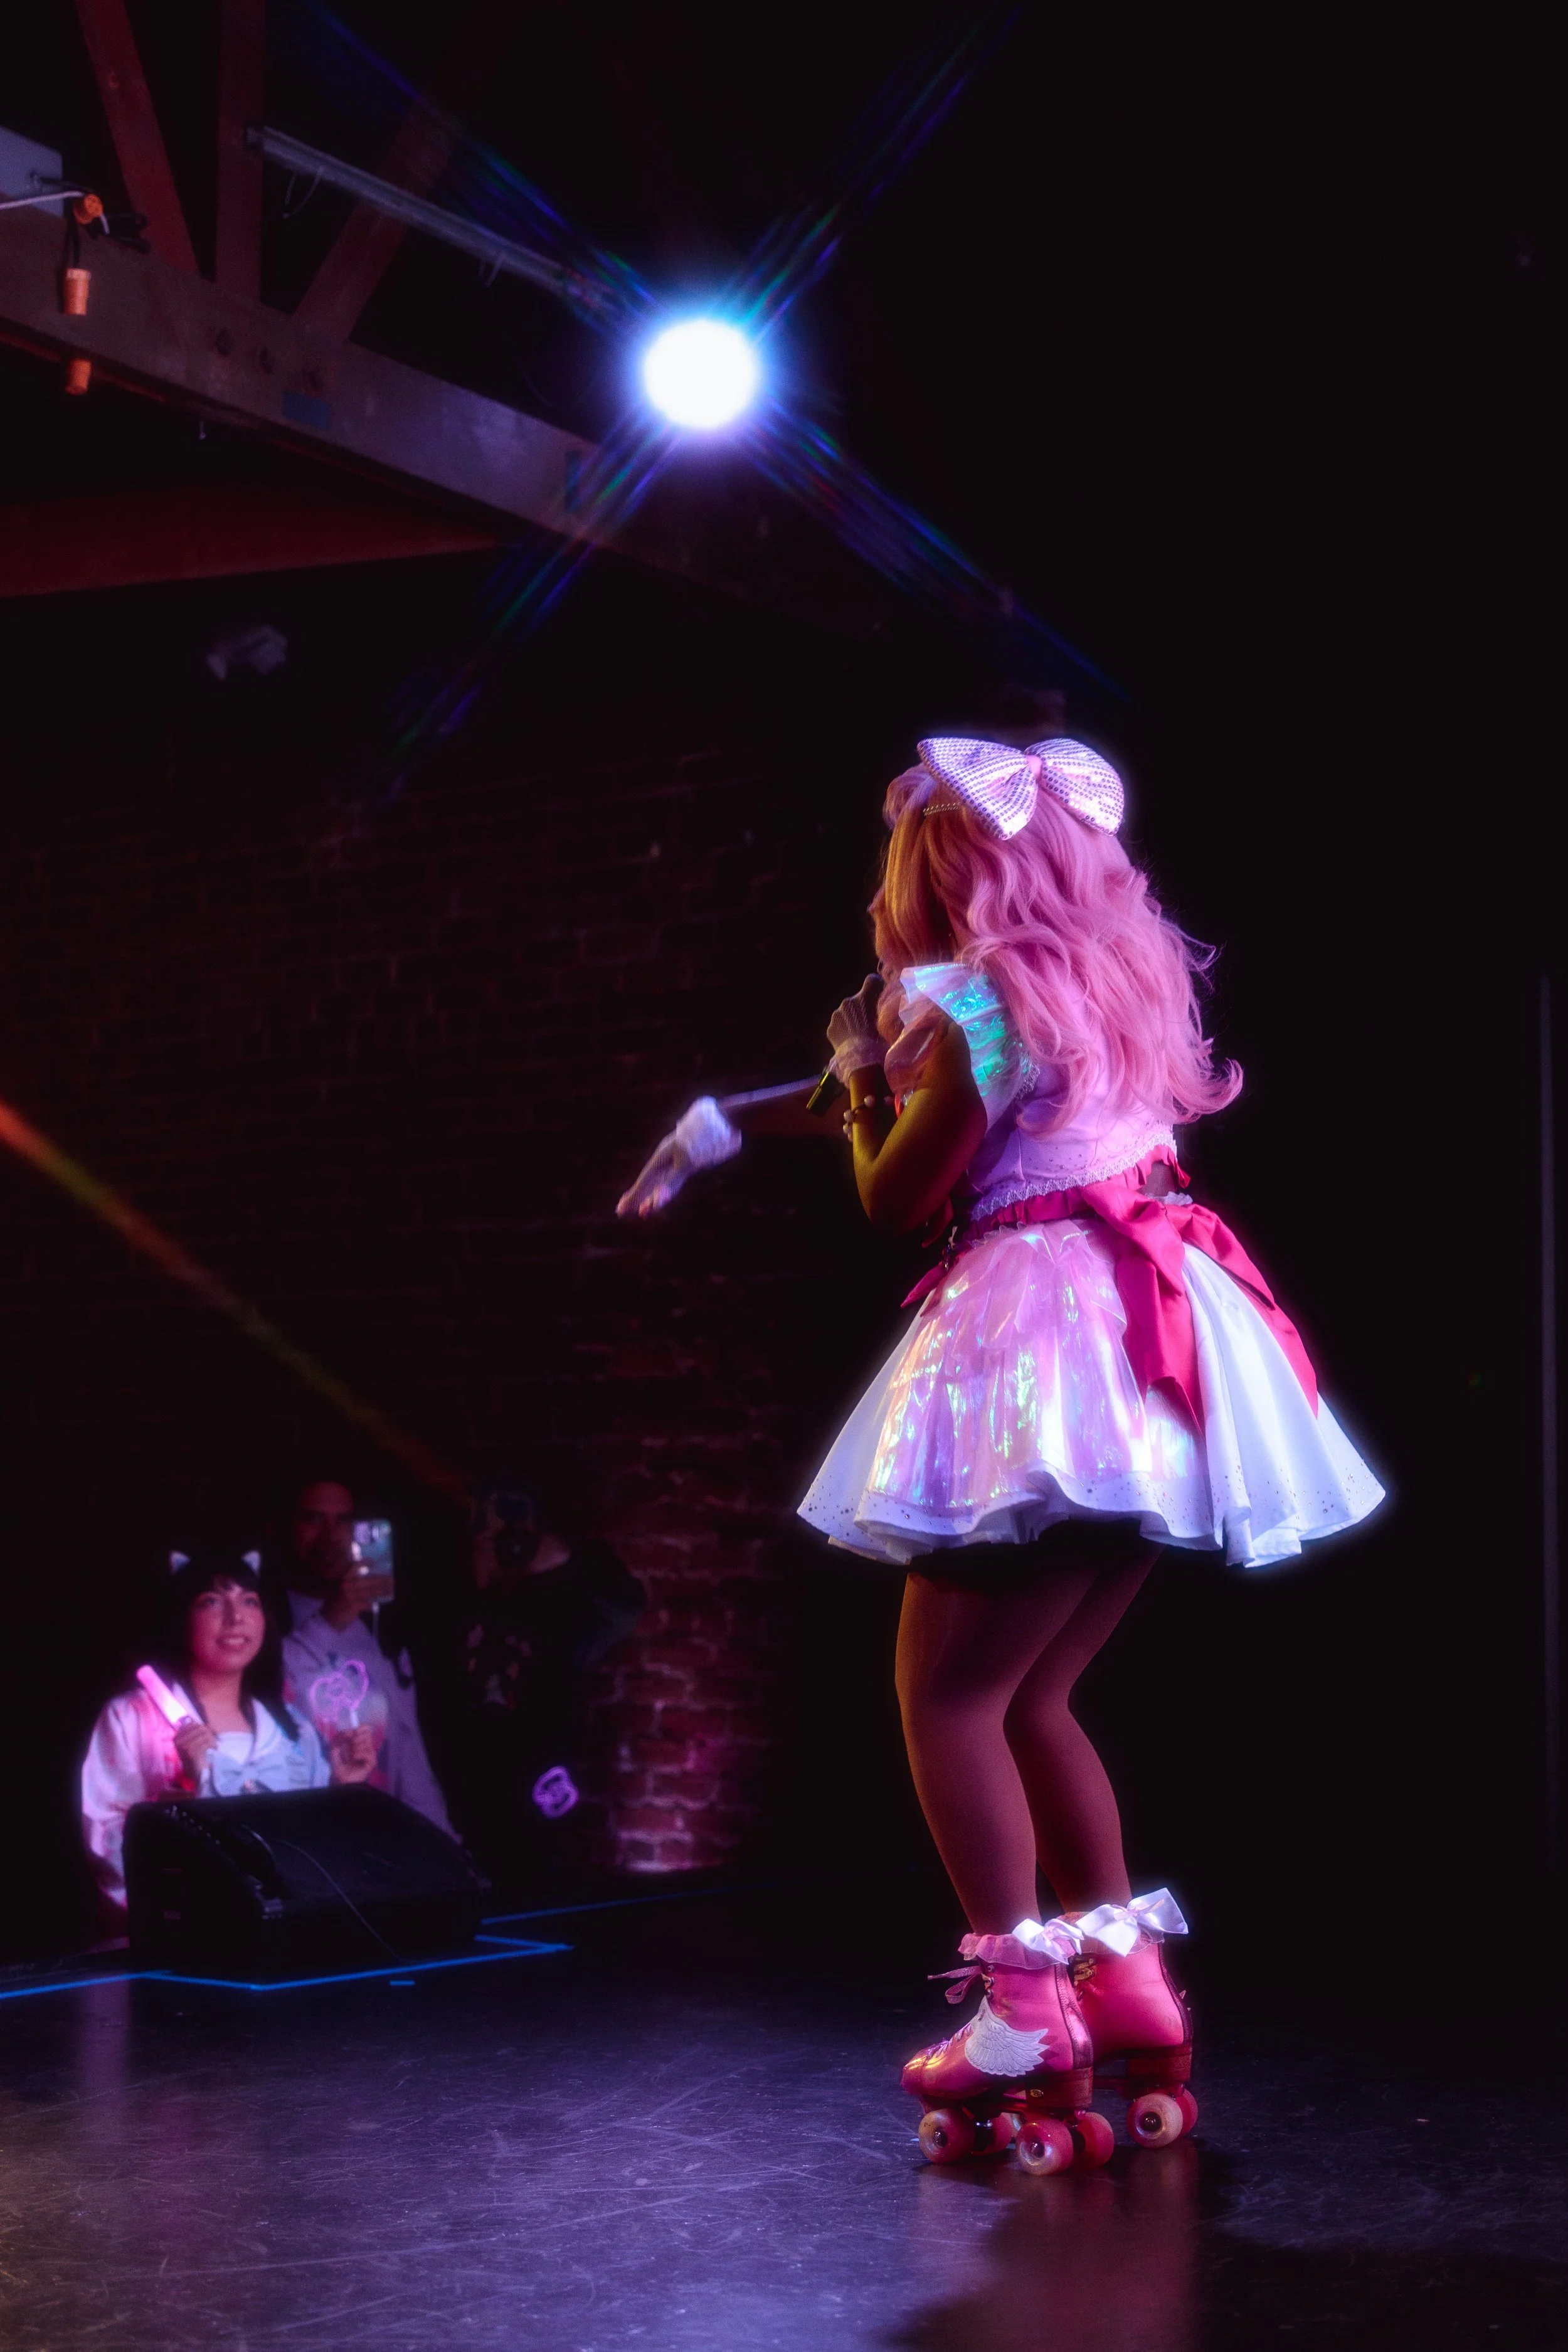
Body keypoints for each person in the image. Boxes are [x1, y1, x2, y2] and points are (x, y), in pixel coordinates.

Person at [619, 731, 1383, 2169]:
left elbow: (898, 1193)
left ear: (947, 868)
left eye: (896, 866)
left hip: (1046, 1350)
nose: (878, 897)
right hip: (1156, 1363)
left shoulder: (985, 1000)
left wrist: (851, 1079)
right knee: (1039, 1697)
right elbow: (917, 1086)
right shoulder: (1097, 988)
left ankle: (1023, 2010)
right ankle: (1128, 1982)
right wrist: (735, 1118)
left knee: (947, 1700)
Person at [81, 1549, 376, 1913]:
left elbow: (315, 1852)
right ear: (181, 1617)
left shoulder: (294, 1728)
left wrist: (339, 1787)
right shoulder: (132, 1717)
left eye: (249, 1601)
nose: (236, 1618)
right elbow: (103, 1838)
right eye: (212, 1602)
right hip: (189, 1940)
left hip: (290, 1935)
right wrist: (176, 1808)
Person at [457, 1476, 644, 1876]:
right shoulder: (442, 1610)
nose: (502, 1543)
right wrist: (479, 1588)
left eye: (512, 1531)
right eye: (486, 1530)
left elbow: (625, 1610)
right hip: (457, 1807)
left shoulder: (557, 1618)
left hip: (538, 1814)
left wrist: (567, 1559)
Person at [276, 1479, 455, 1836]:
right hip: (315, 1838)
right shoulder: (258, 1617)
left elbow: (410, 1753)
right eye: (314, 1519)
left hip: (397, 1841)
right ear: (284, 1527)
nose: (330, 1537)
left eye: (343, 1522)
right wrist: (331, 1618)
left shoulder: (385, 1625)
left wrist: (441, 1837)